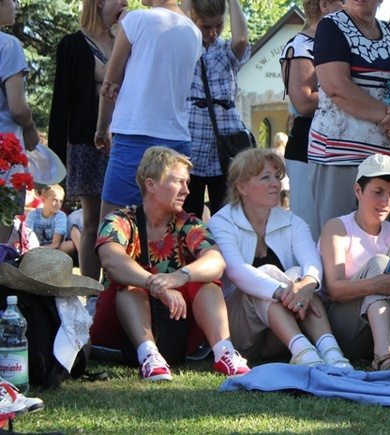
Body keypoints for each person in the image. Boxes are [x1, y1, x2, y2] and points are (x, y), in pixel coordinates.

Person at [90, 146, 250, 381]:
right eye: (178, 182)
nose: (186, 190)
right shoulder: (120, 220)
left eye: (187, 183)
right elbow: (111, 260)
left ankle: (224, 352)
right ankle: (149, 355)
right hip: (118, 328)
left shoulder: (188, 224)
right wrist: (154, 283)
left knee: (206, 282)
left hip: (175, 329)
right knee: (129, 284)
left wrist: (179, 277)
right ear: (151, 185)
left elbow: (216, 261)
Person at [208, 149, 351, 368]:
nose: (276, 184)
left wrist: (307, 285)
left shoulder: (293, 221)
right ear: (242, 187)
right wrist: (284, 292)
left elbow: (312, 261)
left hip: (279, 335)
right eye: (265, 178)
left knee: (301, 278)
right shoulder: (222, 222)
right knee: (268, 275)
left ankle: (331, 351)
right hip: (239, 329)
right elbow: (237, 271)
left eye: (277, 177)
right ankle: (304, 352)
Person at [310, 0, 390, 233]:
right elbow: (337, 87)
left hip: (384, 156)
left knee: (374, 236)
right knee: (339, 235)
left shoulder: (389, 32)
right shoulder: (331, 26)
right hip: (340, 153)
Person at [95, 0, 207, 215]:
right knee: (163, 234)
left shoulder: (137, 19)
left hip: (135, 138)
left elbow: (110, 84)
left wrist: (102, 129)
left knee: (113, 227)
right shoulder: (193, 31)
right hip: (177, 141)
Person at [48, 0, 128, 282]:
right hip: (86, 142)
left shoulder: (126, 40)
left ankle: (120, 290)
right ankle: (93, 291)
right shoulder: (72, 44)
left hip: (122, 138)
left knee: (122, 220)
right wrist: (55, 159)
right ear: (99, 1)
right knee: (93, 220)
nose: (125, 2)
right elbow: (62, 101)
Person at [319, 154, 390, 368]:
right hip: (346, 329)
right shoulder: (337, 228)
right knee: (380, 263)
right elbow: (334, 289)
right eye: (378, 192)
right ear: (358, 191)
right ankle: (383, 354)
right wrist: (378, 283)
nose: (385, 202)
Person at [279, 0, 344, 240]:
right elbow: (304, 102)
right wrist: (347, 94)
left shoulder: (343, 44)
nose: (348, 7)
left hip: (339, 144)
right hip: (307, 144)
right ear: (325, 4)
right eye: (343, 1)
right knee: (310, 229)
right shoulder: (302, 45)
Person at [180, 0, 250, 218]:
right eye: (205, 27)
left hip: (226, 142)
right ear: (193, 21)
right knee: (188, 214)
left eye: (218, 26)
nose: (212, 33)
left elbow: (241, 39)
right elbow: (179, 29)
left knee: (228, 213)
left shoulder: (226, 50)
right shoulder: (186, 46)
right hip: (192, 142)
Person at [0, 0, 39, 243]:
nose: (16, 4)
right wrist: (30, 126)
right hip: (5, 155)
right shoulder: (8, 45)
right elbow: (17, 107)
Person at [24, 184, 68, 251]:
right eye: (55, 200)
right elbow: (26, 236)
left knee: (68, 245)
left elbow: (56, 243)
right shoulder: (33, 214)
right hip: (33, 248)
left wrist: (40, 249)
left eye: (61, 201)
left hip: (52, 249)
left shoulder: (61, 216)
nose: (58, 204)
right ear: (43, 200)